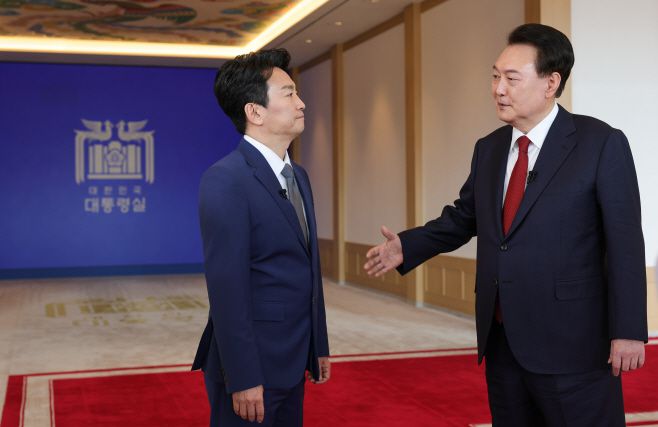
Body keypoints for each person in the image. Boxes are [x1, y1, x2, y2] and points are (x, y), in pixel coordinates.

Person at [364, 23, 647, 426]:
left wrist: (629, 329)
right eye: (495, 77)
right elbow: (464, 217)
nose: (498, 89)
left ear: (551, 82)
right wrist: (407, 246)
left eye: (511, 79)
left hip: (574, 345)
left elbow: (625, 243)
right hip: (503, 341)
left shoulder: (599, 143)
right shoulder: (490, 148)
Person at [192, 48, 330, 427]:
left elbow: (308, 268)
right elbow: (227, 288)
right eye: (289, 94)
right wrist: (242, 376)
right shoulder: (226, 180)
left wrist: (318, 344)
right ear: (255, 112)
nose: (301, 103)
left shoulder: (298, 176)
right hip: (251, 367)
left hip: (294, 357)